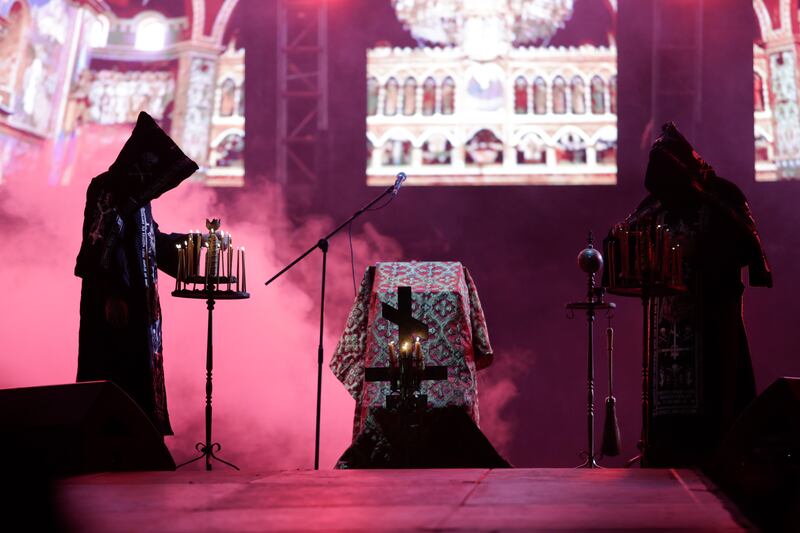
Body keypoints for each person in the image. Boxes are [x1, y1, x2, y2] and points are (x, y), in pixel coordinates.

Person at [621, 122, 772, 466]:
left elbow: (742, 242)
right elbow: (625, 235)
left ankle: (717, 450)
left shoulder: (720, 198)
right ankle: (664, 447)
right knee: (667, 388)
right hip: (668, 318)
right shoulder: (656, 207)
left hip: (711, 314)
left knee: (717, 384)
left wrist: (699, 255)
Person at [75, 111, 198, 435]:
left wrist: (193, 244)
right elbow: (100, 241)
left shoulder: (139, 200)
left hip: (140, 301)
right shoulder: (106, 187)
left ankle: (140, 438)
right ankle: (111, 442)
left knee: (138, 369)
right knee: (113, 366)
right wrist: (114, 295)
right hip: (115, 300)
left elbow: (152, 241)